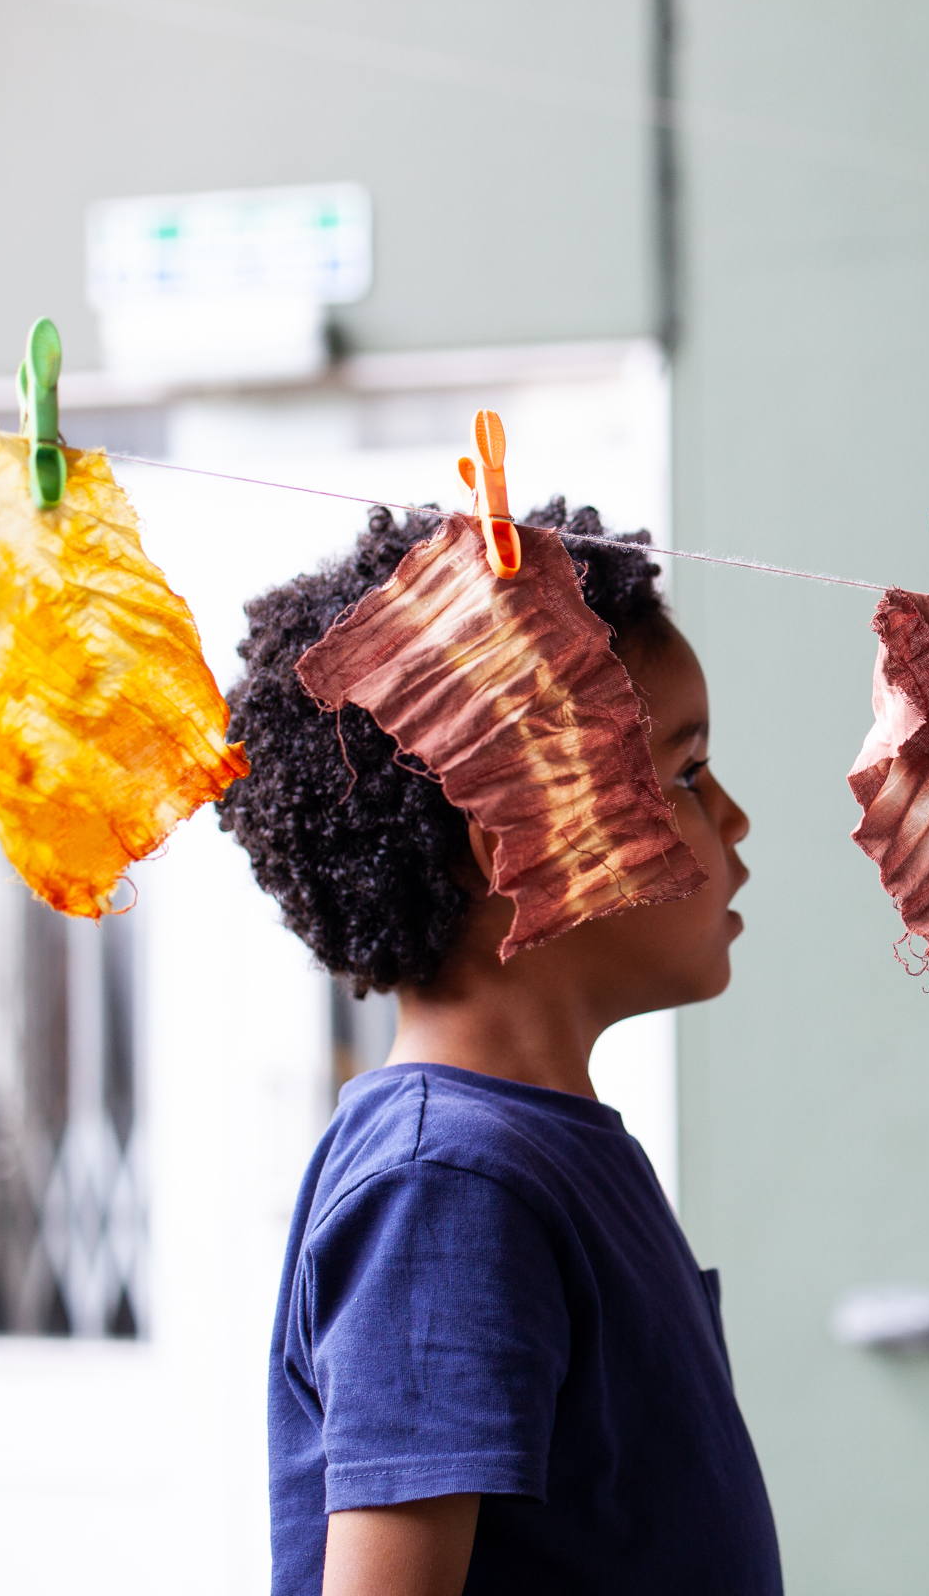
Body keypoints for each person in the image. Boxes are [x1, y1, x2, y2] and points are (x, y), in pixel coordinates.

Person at [221, 502, 777, 1596]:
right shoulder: (447, 1184)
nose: (735, 818)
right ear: (522, 845)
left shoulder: (532, 1153)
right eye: (685, 770)